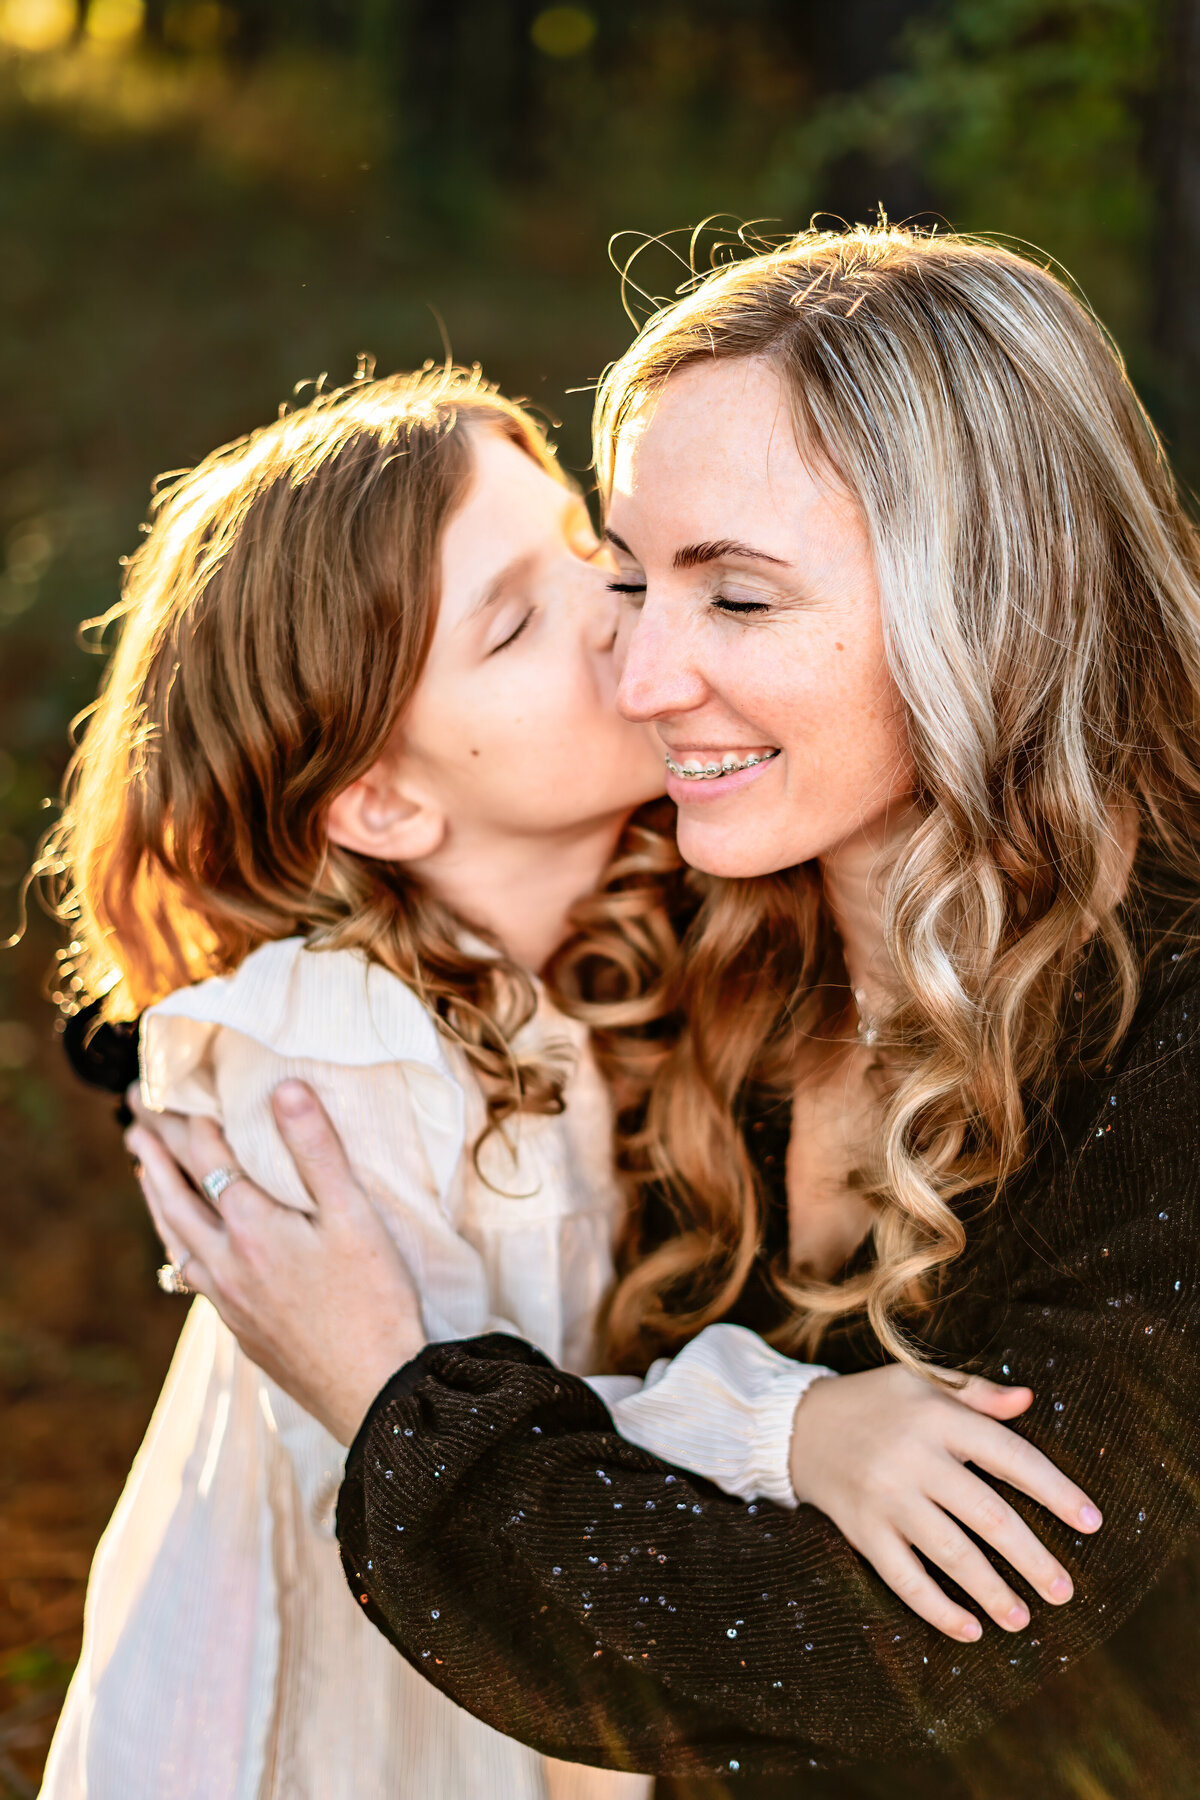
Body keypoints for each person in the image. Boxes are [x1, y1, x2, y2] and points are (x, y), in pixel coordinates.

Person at [131, 224, 1200, 1800]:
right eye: (626, 577)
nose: (635, 673)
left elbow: (886, 1665)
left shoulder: (1161, 1039)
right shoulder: (677, 933)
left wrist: (389, 1398)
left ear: (999, 601)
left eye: (741, 601)